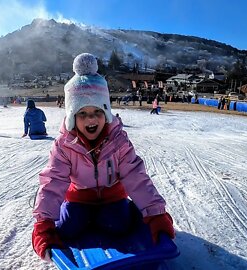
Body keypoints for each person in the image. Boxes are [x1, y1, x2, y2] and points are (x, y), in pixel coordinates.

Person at [32, 53, 175, 261]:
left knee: (119, 225)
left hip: (111, 198)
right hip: (79, 198)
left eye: (97, 112)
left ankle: (133, 212)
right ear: (72, 117)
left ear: (107, 113)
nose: (91, 118)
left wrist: (155, 214)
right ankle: (79, 215)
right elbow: (53, 182)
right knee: (66, 230)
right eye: (82, 113)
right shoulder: (64, 145)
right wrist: (44, 224)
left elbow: (136, 177)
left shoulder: (118, 141)